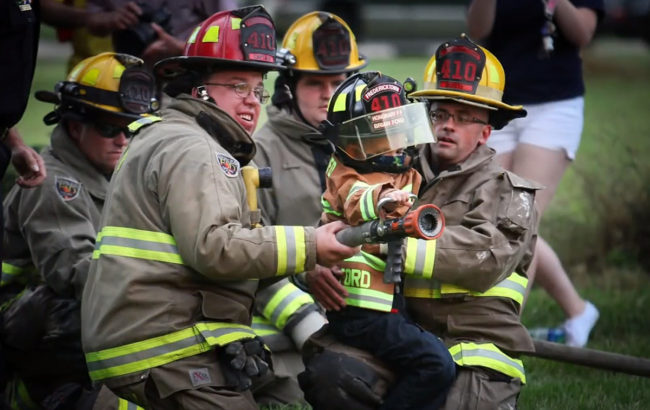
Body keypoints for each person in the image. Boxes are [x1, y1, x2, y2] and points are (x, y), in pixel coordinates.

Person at [80, 6, 357, 409]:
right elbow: (215, 248)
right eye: (237, 86)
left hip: (153, 337)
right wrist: (311, 244)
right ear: (198, 88)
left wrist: (305, 271)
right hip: (166, 345)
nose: (252, 102)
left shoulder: (174, 136)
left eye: (257, 89)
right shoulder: (197, 149)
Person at [301, 34, 542, 410]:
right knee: (333, 376)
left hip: (475, 344)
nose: (448, 125)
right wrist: (315, 261)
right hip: (398, 334)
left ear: (486, 131)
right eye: (440, 113)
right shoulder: (394, 169)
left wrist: (386, 240)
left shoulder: (509, 193)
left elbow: (484, 261)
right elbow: (334, 218)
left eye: (464, 118)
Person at [1, 52, 156, 409]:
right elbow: (78, 273)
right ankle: (33, 394)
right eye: (108, 127)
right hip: (18, 318)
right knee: (86, 311)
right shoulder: (51, 183)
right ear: (74, 126)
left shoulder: (114, 178)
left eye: (131, 128)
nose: (121, 139)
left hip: (42, 314)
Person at [466, 0, 604, 347]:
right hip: (499, 105)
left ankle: (499, 338)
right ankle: (578, 311)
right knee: (491, 215)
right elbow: (477, 31)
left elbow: (582, 32)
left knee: (521, 220)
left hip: (554, 105)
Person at [316, 70, 456, 410]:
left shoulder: (407, 172)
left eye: (398, 130)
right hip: (359, 310)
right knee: (435, 365)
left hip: (389, 304)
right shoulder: (344, 171)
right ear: (350, 141)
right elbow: (355, 199)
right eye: (379, 135)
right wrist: (383, 199)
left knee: (420, 364)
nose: (393, 142)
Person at [251, 10, 368, 405]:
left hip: (365, 305)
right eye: (314, 82)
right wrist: (306, 270)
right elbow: (247, 249)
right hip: (289, 319)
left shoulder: (368, 146)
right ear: (287, 87)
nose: (328, 93)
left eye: (338, 82)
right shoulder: (259, 153)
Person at [86, 0, 238, 68]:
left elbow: (231, 37)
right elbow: (93, 21)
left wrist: (181, 49)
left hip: (185, 77)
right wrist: (110, 18)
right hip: (126, 70)